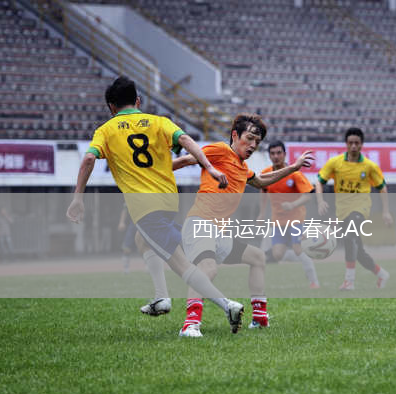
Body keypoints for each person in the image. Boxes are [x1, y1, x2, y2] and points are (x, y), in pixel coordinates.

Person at [66, 75, 244, 337]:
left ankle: (227, 306)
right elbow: (186, 141)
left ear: (111, 106)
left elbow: (88, 160)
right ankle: (162, 297)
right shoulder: (159, 122)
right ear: (138, 101)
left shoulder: (106, 130)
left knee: (181, 265)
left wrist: (77, 198)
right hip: (168, 202)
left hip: (145, 208)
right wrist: (209, 167)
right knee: (142, 240)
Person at [173, 114, 314, 335]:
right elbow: (184, 161)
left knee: (257, 257)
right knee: (208, 268)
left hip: (218, 232)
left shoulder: (242, 167)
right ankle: (190, 324)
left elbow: (261, 181)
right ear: (235, 135)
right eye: (249, 138)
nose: (253, 145)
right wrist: (151, 175)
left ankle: (259, 318)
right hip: (200, 223)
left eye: (257, 141)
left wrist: (294, 167)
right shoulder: (221, 150)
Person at [314, 127, 393, 290]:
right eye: (351, 143)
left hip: (360, 209)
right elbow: (319, 182)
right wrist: (320, 201)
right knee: (358, 251)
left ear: (362, 144)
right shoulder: (335, 163)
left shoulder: (369, 166)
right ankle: (381, 274)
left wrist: (386, 211)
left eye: (357, 143)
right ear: (346, 144)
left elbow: (382, 187)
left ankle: (349, 281)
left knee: (350, 238)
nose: (354, 146)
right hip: (342, 212)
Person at [256, 140, 320, 288]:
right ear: (269, 155)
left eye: (279, 153)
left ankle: (314, 281)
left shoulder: (294, 173)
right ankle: (306, 256)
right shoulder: (266, 174)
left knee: (298, 249)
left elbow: (308, 196)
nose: (276, 156)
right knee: (277, 254)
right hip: (278, 221)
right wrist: (261, 213)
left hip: (296, 219)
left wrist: (292, 204)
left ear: (284, 154)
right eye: (272, 153)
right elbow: (263, 191)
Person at [118, 203, 137, 273]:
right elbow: (125, 210)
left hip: (144, 223)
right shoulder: (129, 198)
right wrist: (121, 222)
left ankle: (149, 266)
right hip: (133, 224)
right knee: (126, 247)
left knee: (147, 246)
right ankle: (126, 268)